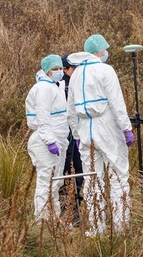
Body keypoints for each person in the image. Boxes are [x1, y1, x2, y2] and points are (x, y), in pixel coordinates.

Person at [66, 34, 134, 234]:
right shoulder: (106, 70)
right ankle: (121, 227)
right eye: (105, 49)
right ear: (98, 52)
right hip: (107, 127)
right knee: (118, 176)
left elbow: (71, 110)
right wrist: (126, 128)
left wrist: (77, 136)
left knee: (92, 179)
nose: (106, 53)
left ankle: (97, 227)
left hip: (86, 130)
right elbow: (116, 101)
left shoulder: (76, 74)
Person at [24, 54, 69, 222]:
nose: (58, 72)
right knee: (46, 181)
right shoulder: (43, 88)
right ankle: (42, 220)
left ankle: (54, 218)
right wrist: (50, 141)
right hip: (45, 141)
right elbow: (43, 119)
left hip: (58, 138)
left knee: (55, 182)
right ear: (46, 71)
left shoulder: (55, 86)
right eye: (54, 69)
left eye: (59, 68)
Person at [59, 54, 84, 223]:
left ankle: (75, 210)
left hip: (79, 132)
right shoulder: (59, 85)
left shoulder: (79, 82)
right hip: (64, 133)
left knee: (79, 171)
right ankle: (67, 211)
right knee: (67, 170)